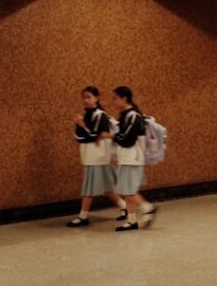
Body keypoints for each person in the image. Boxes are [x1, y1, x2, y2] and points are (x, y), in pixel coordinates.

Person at [67, 86, 129, 228]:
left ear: (97, 98)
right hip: (90, 154)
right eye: (84, 97)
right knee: (108, 188)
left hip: (97, 156)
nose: (86, 100)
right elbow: (80, 137)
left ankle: (83, 216)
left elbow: (97, 135)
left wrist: (82, 126)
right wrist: (81, 127)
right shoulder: (84, 114)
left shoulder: (100, 115)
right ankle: (124, 206)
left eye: (89, 97)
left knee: (88, 189)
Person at [110, 86, 157, 231]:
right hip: (127, 157)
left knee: (129, 190)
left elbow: (127, 140)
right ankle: (131, 221)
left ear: (124, 98)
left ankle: (147, 207)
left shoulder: (133, 116)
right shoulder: (125, 116)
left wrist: (111, 135)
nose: (113, 101)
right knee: (127, 190)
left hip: (133, 158)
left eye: (115, 98)